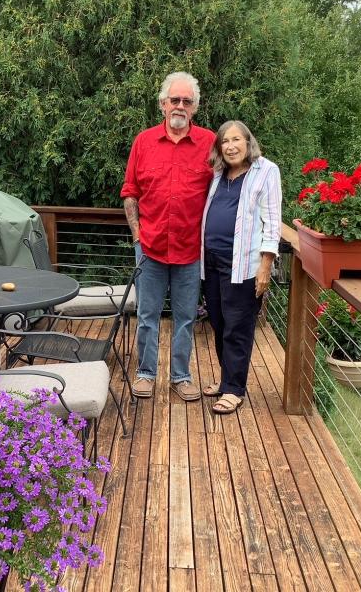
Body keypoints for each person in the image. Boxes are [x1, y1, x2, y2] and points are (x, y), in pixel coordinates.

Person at [120, 72, 216, 401]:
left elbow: (229, 185)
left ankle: (181, 376)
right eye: (174, 100)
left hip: (191, 249)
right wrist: (137, 237)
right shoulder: (143, 142)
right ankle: (145, 373)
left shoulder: (209, 143)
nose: (179, 105)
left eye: (186, 101)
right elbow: (130, 192)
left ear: (195, 108)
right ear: (163, 104)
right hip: (150, 246)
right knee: (146, 315)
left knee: (185, 317)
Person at [201, 120, 281, 414]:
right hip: (212, 262)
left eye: (236, 140)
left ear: (249, 142)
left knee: (238, 326)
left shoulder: (267, 171)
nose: (231, 146)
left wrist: (265, 266)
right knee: (219, 323)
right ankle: (227, 381)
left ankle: (235, 389)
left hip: (244, 266)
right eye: (225, 141)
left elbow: (272, 222)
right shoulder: (220, 173)